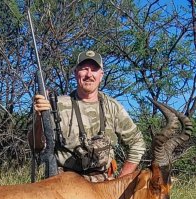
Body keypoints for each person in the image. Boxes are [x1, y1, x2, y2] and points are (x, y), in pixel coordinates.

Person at [29, 50, 146, 182]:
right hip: (64, 184)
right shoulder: (56, 105)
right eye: (84, 69)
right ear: (75, 73)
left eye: (94, 69)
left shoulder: (113, 107)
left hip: (103, 186)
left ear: (101, 75)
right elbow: (37, 147)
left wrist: (121, 181)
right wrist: (38, 118)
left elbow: (137, 142)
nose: (89, 74)